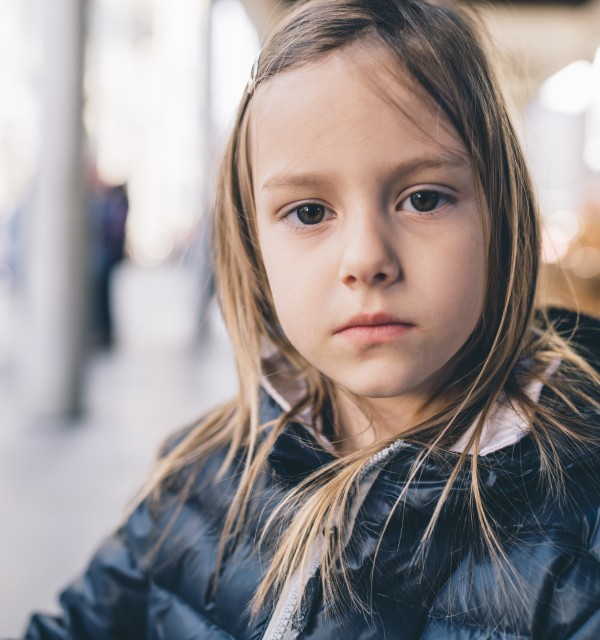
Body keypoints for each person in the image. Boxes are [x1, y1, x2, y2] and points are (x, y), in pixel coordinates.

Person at [20, 0, 600, 638]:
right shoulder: (200, 483)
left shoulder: (583, 507)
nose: (366, 259)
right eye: (308, 212)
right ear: (254, 245)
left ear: (502, 214)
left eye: (424, 198)